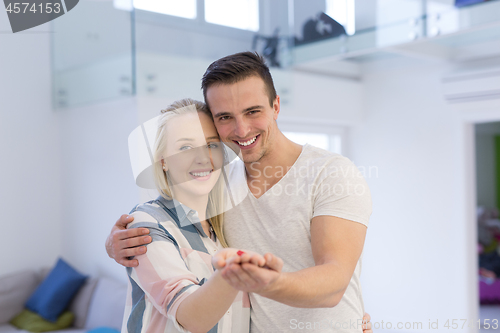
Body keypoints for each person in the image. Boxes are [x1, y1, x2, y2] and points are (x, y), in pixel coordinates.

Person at [108, 52, 373, 332]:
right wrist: (115, 243)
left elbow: (333, 283)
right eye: (225, 117)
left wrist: (265, 281)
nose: (241, 128)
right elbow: (168, 221)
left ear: (276, 106)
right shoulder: (219, 183)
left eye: (253, 111)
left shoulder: (332, 174)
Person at [122, 98, 275, 333]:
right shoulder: (146, 223)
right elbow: (191, 318)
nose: (203, 158)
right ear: (163, 161)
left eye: (211, 145)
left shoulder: (223, 230)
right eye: (185, 147)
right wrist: (233, 272)